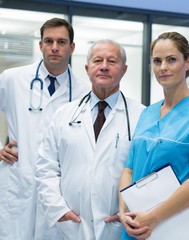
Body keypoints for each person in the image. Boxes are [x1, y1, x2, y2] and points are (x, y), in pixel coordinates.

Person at [0, 18, 89, 240]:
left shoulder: (84, 91)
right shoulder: (13, 78)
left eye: (61, 42)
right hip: (19, 179)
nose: (54, 47)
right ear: (40, 45)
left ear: (72, 47)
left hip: (61, 188)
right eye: (49, 41)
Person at [118, 31, 189, 240]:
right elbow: (128, 170)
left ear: (187, 63)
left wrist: (154, 217)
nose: (163, 67)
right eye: (157, 61)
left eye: (171, 59)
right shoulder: (147, 113)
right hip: (137, 226)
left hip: (173, 229)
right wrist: (123, 212)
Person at [35, 39, 145, 239]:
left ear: (124, 69)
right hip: (71, 225)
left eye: (112, 61)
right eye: (97, 61)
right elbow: (46, 167)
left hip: (119, 226)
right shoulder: (64, 114)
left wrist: (131, 209)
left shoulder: (142, 116)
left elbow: (147, 173)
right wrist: (58, 209)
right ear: (87, 68)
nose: (104, 66)